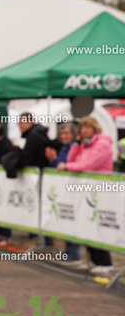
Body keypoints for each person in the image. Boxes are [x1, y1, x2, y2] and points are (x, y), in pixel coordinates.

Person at [57, 116, 114, 275]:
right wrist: (76, 144)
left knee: (97, 226)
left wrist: (67, 167)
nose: (84, 130)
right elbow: (71, 159)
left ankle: (105, 262)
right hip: (85, 189)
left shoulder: (102, 143)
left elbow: (88, 165)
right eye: (82, 128)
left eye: (88, 127)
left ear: (95, 128)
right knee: (86, 225)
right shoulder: (85, 144)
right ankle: (93, 260)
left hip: (99, 190)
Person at [44, 124, 80, 261]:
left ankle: (73, 252)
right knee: (66, 219)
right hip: (64, 188)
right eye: (62, 134)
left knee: (71, 219)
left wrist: (54, 159)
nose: (63, 136)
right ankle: (68, 251)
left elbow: (64, 165)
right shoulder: (64, 147)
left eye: (66, 133)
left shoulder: (73, 147)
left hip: (73, 188)